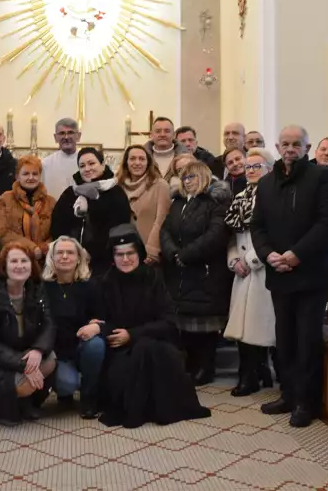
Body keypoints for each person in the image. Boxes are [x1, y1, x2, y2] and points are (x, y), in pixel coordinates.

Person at [252, 125, 328, 427]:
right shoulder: (265, 184)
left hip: (310, 273)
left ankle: (307, 401)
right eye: (285, 144)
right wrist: (268, 254)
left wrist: (297, 254)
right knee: (285, 338)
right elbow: (258, 226)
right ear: (277, 147)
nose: (290, 149)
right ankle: (288, 394)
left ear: (307, 147)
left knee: (307, 339)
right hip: (279, 273)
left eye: (296, 144)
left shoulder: (322, 177)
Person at [84, 224, 211, 428]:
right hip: (119, 349)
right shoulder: (103, 284)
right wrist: (118, 334)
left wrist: (132, 334)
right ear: (113, 257)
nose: (125, 259)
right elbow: (100, 322)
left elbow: (169, 322)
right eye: (119, 255)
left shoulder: (154, 278)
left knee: (152, 351)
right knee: (125, 367)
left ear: (139, 254)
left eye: (130, 253)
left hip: (154, 340)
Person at [160, 160, 232, 386]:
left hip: (205, 272)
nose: (186, 182)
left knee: (205, 327)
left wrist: (186, 255)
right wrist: (173, 253)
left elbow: (216, 235)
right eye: (183, 178)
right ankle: (191, 366)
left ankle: (206, 368)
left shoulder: (215, 202)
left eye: (191, 177)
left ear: (202, 177)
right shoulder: (178, 203)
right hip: (180, 272)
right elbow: (165, 231)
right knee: (185, 325)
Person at [0, 243, 57, 425]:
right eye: (13, 261)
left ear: (31, 265)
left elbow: (49, 324)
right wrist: (23, 365)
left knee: (50, 358)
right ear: (4, 266)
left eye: (24, 261)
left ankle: (27, 401)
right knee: (22, 383)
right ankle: (14, 402)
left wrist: (38, 350)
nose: (19, 266)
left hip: (27, 351)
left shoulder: (37, 289)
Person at [223, 148, 276, 396]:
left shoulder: (275, 195)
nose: (252, 171)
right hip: (242, 271)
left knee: (260, 326)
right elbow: (233, 236)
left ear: (270, 169)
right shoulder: (240, 197)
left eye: (258, 166)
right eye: (249, 167)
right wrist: (234, 260)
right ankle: (250, 374)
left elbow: (278, 236)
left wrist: (252, 260)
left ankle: (256, 373)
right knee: (243, 328)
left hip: (264, 268)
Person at [42, 237, 104, 419]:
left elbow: (103, 318)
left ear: (79, 258)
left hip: (82, 347)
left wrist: (95, 327)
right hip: (57, 352)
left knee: (96, 345)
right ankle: (65, 393)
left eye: (70, 253)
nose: (65, 256)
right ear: (52, 258)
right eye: (59, 253)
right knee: (67, 383)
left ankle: (89, 397)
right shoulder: (43, 287)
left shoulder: (91, 285)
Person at [50, 147, 133, 276]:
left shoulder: (115, 193)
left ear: (103, 165)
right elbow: (57, 225)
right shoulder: (71, 193)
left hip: (104, 261)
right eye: (82, 166)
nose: (87, 169)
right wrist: (72, 250)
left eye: (91, 163)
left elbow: (119, 227)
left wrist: (91, 251)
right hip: (71, 260)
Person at [0, 155, 56, 262]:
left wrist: (43, 248)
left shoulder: (50, 201)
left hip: (44, 260)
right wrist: (32, 248)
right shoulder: (6, 199)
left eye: (35, 174)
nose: (31, 177)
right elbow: (0, 232)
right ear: (17, 176)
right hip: (13, 260)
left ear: (40, 176)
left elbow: (56, 232)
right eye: (26, 174)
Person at [116, 145, 171, 263]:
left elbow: (161, 220)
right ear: (126, 162)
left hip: (148, 255)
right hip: (123, 254)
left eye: (142, 159)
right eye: (132, 159)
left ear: (148, 162)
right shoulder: (117, 186)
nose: (137, 163)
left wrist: (151, 251)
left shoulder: (160, 185)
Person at [42, 117, 81, 199]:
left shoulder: (86, 162)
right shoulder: (45, 164)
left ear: (78, 136)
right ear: (55, 137)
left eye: (70, 132)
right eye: (62, 133)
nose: (66, 137)